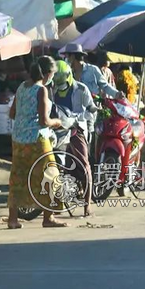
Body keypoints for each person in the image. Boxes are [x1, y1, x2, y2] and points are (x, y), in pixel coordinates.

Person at [7, 56, 68, 229]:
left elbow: (12, 113)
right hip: (37, 140)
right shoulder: (41, 90)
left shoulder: (21, 87)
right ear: (48, 74)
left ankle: (13, 219)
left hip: (18, 139)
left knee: (18, 176)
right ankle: (48, 218)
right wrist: (57, 122)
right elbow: (44, 121)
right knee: (50, 175)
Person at [52, 60, 95, 217]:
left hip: (77, 130)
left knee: (84, 165)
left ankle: (87, 204)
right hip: (58, 132)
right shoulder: (51, 90)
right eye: (57, 81)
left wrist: (78, 119)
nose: (59, 84)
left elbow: (92, 110)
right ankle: (55, 203)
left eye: (62, 81)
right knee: (55, 165)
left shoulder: (82, 89)